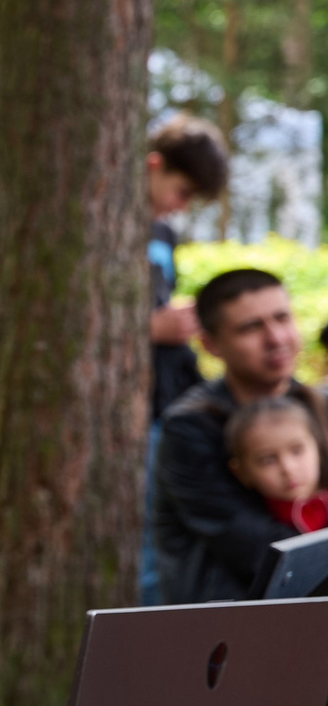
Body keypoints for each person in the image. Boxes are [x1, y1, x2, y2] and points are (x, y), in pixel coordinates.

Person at [156, 268, 309, 602]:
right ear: (211, 344)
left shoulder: (315, 405)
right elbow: (251, 544)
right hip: (227, 624)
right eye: (251, 327)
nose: (276, 339)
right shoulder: (192, 426)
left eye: (282, 318)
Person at [140, 117, 231, 603]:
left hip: (165, 396)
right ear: (154, 165)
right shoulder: (118, 223)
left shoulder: (164, 231)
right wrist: (150, 327)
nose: (182, 205)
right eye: (181, 189)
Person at [226, 395, 328, 536]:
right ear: (242, 473)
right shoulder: (252, 527)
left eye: (297, 450)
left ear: (318, 446)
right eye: (268, 460)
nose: (288, 468)